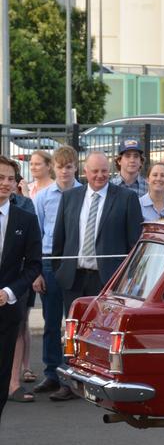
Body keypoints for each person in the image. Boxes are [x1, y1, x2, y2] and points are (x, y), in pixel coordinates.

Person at [52, 151, 143, 401]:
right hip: (73, 276)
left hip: (107, 280)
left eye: (104, 171)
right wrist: (61, 271)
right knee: (72, 331)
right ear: (85, 172)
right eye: (94, 171)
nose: (100, 176)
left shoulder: (125, 198)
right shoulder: (70, 197)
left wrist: (129, 280)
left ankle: (101, 384)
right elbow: (60, 238)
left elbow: (135, 244)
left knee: (103, 333)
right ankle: (70, 381)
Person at [31, 146, 81, 398]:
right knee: (51, 322)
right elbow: (36, 236)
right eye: (60, 167)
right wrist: (37, 271)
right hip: (50, 262)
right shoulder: (42, 197)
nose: (64, 171)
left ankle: (72, 375)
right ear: (54, 168)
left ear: (75, 168)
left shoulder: (84, 194)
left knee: (73, 323)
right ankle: (51, 373)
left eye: (69, 166)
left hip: (75, 262)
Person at [0, 154, 42, 426]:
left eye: (10, 179)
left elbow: (33, 265)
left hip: (6, 312)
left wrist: (9, 292)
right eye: (0, 178)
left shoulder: (25, 219)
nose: (5, 183)